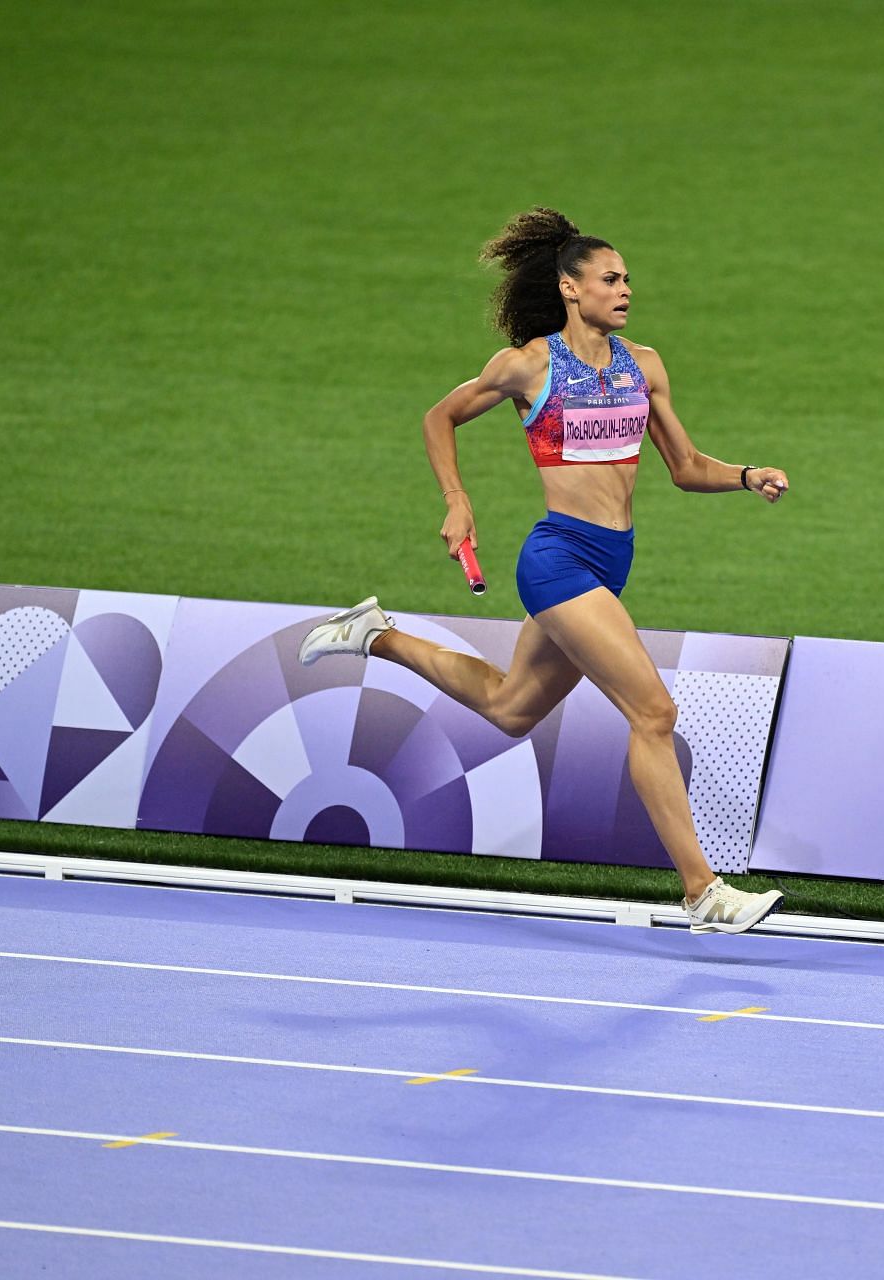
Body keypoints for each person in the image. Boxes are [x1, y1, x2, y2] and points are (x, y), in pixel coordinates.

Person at [300, 207, 791, 936]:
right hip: (558, 560)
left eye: (627, 278)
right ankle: (701, 891)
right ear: (570, 288)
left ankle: (376, 635)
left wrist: (747, 475)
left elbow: (686, 468)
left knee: (510, 710)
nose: (625, 288)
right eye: (610, 278)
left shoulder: (642, 366)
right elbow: (440, 417)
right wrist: (458, 501)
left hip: (609, 563)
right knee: (653, 714)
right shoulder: (529, 365)